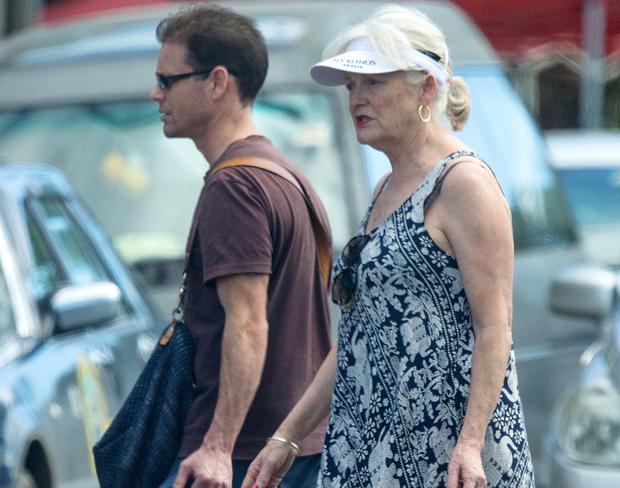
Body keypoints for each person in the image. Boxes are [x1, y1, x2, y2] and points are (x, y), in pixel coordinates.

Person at [243, 4, 535, 488]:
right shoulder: (384, 188)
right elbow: (361, 334)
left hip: (446, 455)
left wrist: (469, 444)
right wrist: (287, 437)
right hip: (370, 450)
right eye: (351, 86)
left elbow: (495, 329)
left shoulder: (463, 183)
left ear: (426, 87)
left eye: (373, 83)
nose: (356, 98)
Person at [149, 4, 333, 487]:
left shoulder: (235, 186)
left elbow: (249, 322)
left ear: (217, 82)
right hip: (290, 447)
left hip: (240, 457)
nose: (156, 94)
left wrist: (216, 447)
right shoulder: (284, 173)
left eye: (167, 80)